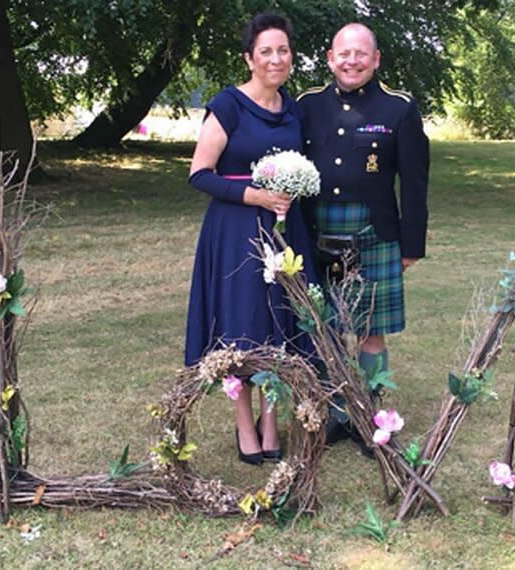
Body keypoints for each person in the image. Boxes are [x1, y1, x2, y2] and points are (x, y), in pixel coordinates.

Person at [185, 13, 317, 465]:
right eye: (266, 51)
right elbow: (199, 174)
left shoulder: (293, 108)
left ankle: (270, 418)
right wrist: (255, 196)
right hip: (236, 229)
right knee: (240, 327)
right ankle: (244, 422)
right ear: (249, 58)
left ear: (291, 57)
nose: (275, 59)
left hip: (283, 230)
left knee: (279, 322)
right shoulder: (228, 105)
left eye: (283, 50)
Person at [297, 23, 429, 448]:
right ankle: (336, 411)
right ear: (330, 58)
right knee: (328, 328)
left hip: (375, 230)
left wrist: (411, 244)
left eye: (361, 54)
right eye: (344, 54)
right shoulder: (307, 105)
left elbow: (414, 181)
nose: (352, 61)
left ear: (375, 60)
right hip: (318, 228)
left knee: (371, 330)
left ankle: (370, 413)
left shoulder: (398, 108)